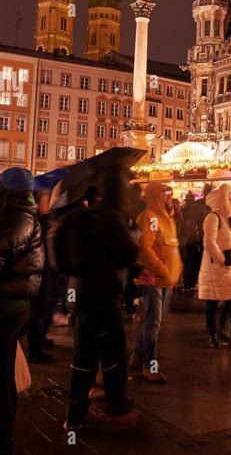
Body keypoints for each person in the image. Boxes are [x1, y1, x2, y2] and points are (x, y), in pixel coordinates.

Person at [64, 167, 140, 431]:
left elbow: (66, 260)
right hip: (102, 297)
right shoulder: (110, 218)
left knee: (84, 356)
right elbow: (129, 253)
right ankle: (118, 407)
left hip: (82, 296)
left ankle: (75, 415)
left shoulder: (83, 216)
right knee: (113, 352)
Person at [0, 168, 45, 455]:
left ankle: (3, 454)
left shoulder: (17, 218)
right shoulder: (19, 213)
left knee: (3, 383)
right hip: (11, 303)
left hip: (7, 306)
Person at [129, 183, 183, 382]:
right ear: (154, 196)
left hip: (166, 279)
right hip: (153, 279)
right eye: (164, 192)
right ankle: (149, 365)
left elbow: (171, 246)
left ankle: (136, 357)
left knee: (153, 321)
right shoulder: (150, 217)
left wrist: (177, 267)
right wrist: (162, 268)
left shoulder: (166, 217)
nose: (169, 195)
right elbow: (146, 248)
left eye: (170, 192)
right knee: (153, 323)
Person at [198, 183, 231, 348]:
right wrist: (223, 258)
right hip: (215, 267)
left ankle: (221, 325)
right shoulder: (213, 217)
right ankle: (212, 332)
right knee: (212, 300)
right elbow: (209, 243)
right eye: (229, 196)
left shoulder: (229, 219)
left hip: (230, 267)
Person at [27, 190, 58, 363]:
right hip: (42, 274)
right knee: (39, 313)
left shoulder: (42, 221)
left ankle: (38, 342)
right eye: (45, 201)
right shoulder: (39, 223)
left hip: (43, 274)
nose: (48, 204)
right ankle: (35, 349)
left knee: (43, 311)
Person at [180, 191, 202, 292]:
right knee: (194, 262)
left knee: (187, 263)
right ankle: (192, 283)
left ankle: (187, 284)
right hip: (194, 239)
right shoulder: (197, 211)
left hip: (186, 240)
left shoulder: (183, 211)